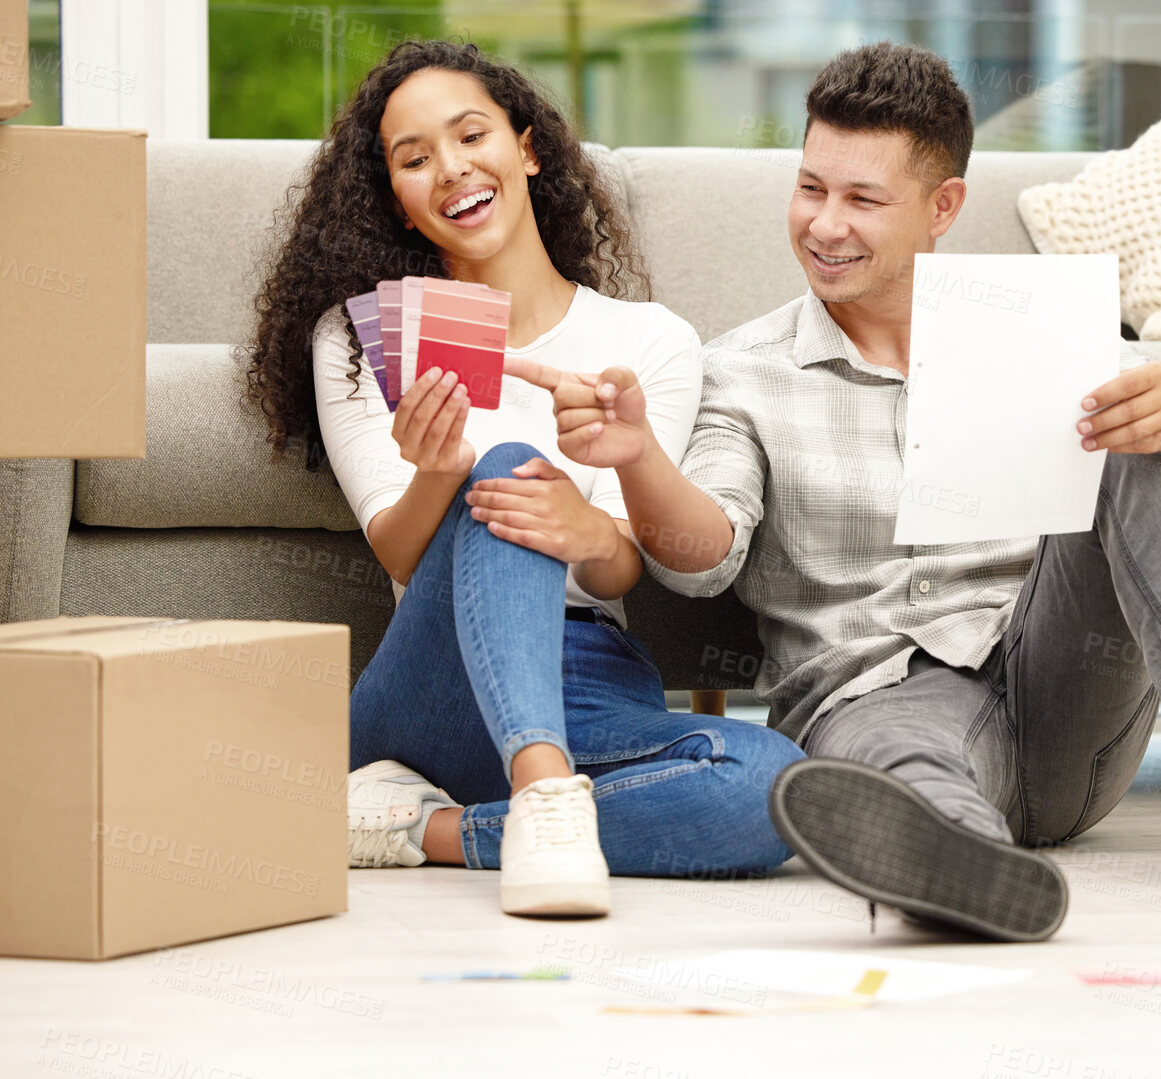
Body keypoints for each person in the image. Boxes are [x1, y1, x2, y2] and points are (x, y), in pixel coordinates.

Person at [505, 42, 1161, 941]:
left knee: (1136, 434)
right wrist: (637, 460)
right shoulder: (740, 373)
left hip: (1061, 690)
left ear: (942, 206)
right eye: (810, 188)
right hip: (874, 700)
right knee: (895, 758)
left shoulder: (1034, 331)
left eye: (864, 199)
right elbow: (702, 559)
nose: (825, 225)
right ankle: (959, 859)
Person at [240, 39, 802, 919]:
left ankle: (422, 829)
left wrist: (592, 529)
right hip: (434, 687)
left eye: (472, 136)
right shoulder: (359, 339)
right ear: (395, 197)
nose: (452, 169)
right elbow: (396, 550)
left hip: (590, 677)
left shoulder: (649, 339)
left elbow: (623, 573)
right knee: (505, 468)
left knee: (772, 783)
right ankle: (543, 793)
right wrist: (443, 473)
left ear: (528, 150)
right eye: (413, 158)